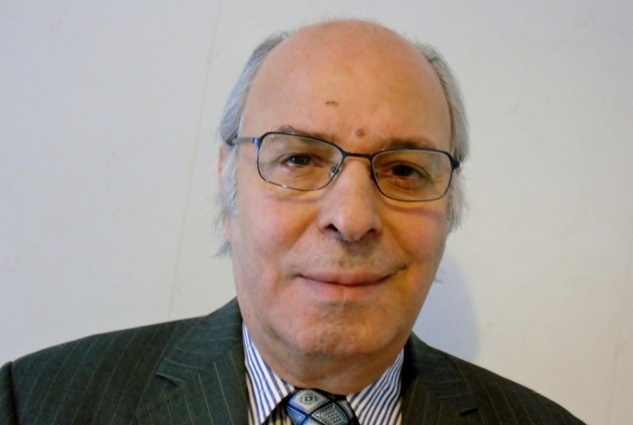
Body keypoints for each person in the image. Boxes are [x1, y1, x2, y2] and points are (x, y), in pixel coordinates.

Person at [0, 19, 585, 425]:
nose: (351, 219)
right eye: (300, 160)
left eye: (405, 170)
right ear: (228, 184)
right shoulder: (33, 405)